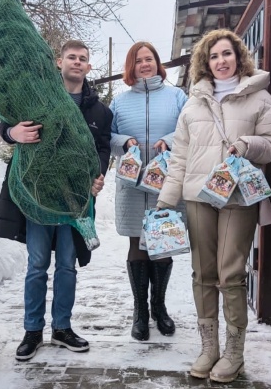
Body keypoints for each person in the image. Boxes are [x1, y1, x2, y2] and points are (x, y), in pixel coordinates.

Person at [157, 29, 271, 383]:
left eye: (227, 53)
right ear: (205, 62)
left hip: (237, 196)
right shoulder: (193, 103)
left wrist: (246, 144)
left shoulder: (260, 98)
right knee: (203, 273)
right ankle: (209, 348)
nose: (221, 61)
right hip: (199, 196)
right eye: (214, 56)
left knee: (230, 272)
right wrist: (166, 199)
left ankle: (234, 353)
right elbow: (179, 158)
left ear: (238, 56)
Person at [0, 40, 113, 361]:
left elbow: (103, 148)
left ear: (88, 66)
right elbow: (6, 122)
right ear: (60, 62)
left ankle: (62, 328)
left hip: (75, 202)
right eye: (71, 57)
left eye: (83, 58)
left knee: (67, 265)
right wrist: (13, 133)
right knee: (37, 265)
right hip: (38, 198)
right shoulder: (38, 96)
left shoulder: (100, 112)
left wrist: (98, 173)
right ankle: (32, 331)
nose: (77, 62)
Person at [109, 41, 187, 341]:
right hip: (132, 184)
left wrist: (169, 140)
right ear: (132, 66)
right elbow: (108, 135)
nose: (145, 64)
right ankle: (140, 311)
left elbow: (188, 129)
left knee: (162, 244)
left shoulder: (176, 96)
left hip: (165, 182)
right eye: (139, 60)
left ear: (157, 63)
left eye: (149, 59)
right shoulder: (119, 102)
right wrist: (124, 141)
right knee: (137, 245)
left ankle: (159, 307)